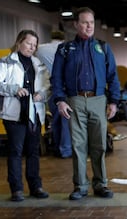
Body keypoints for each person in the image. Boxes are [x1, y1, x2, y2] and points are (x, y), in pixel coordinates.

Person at [51, 7, 121, 200]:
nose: (89, 26)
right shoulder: (65, 49)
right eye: (84, 22)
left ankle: (100, 184)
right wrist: (60, 101)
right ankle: (80, 186)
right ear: (76, 24)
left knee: (99, 145)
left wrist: (114, 101)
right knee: (78, 145)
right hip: (75, 101)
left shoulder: (103, 47)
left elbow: (113, 76)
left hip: (99, 100)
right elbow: (56, 78)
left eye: (91, 22)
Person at [0, 29, 50, 202]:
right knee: (15, 151)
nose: (32, 47)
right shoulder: (5, 62)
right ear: (19, 41)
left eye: (34, 45)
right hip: (13, 115)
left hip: (34, 113)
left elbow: (47, 88)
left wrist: (41, 95)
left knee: (33, 152)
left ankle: (36, 186)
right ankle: (17, 189)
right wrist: (14, 89)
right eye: (29, 43)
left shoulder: (39, 64)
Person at [36, 30, 72, 158]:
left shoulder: (40, 49)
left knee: (55, 119)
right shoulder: (67, 48)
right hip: (65, 87)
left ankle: (57, 147)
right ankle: (66, 150)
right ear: (63, 38)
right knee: (66, 119)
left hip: (48, 87)